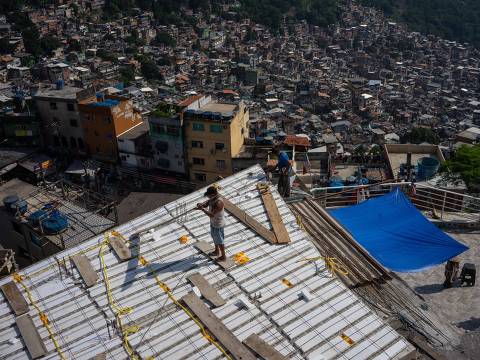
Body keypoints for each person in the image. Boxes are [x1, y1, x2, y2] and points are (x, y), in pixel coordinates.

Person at [197, 186, 226, 261]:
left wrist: (202, 209)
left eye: (208, 195)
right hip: (213, 222)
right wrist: (201, 205)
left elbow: (211, 214)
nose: (208, 197)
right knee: (215, 238)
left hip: (218, 224)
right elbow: (207, 203)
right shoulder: (213, 198)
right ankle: (217, 251)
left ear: (213, 194)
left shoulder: (219, 203)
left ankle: (223, 257)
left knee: (220, 241)